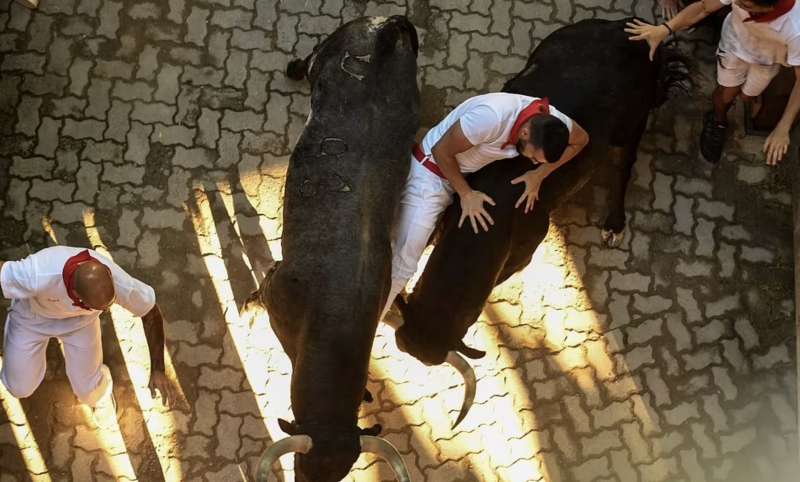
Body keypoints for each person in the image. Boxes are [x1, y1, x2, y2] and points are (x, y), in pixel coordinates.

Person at [381, 93, 589, 320]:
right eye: (534, 157)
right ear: (525, 132)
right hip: (429, 177)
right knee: (403, 266)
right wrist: (466, 194)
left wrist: (539, 174)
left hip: (455, 175)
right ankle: (369, 328)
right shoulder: (489, 118)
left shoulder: (549, 120)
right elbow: (442, 151)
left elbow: (581, 139)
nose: (532, 161)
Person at [0, 246, 175, 424]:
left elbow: (150, 313)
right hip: (31, 319)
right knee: (18, 387)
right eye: (102, 308)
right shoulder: (37, 272)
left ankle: (102, 395)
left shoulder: (115, 280)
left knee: (89, 391)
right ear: (76, 295)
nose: (107, 310)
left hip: (80, 323)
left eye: (109, 304)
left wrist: (158, 369)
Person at [626, 0, 800, 165]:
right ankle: (718, 119)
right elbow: (704, 7)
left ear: (769, 7)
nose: (735, 4)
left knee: (748, 95)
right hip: (733, 47)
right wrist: (665, 29)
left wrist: (783, 127)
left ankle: (751, 96)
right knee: (725, 95)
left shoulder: (796, 30)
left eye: (745, 4)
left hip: (767, 62)